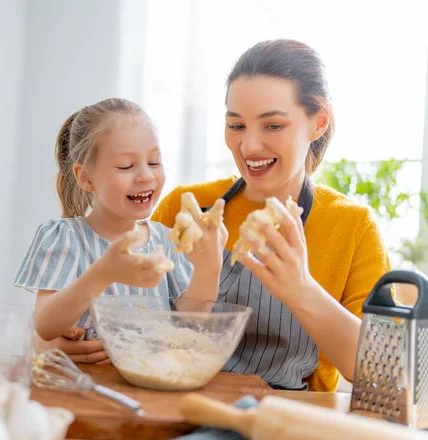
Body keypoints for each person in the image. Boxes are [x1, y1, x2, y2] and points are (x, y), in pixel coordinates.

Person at [151, 39, 390, 392]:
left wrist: (301, 289)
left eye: (273, 126)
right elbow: (139, 326)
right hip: (177, 406)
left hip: (285, 420)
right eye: (236, 126)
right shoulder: (186, 208)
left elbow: (379, 369)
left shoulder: (352, 226)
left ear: (317, 123)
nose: (249, 147)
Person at [14, 98, 227, 344]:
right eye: (126, 166)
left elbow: (191, 323)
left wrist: (209, 269)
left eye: (154, 162)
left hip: (146, 379)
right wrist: (103, 272)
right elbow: (45, 325)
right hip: (82, 381)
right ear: (86, 178)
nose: (146, 176)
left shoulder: (166, 242)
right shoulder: (66, 238)